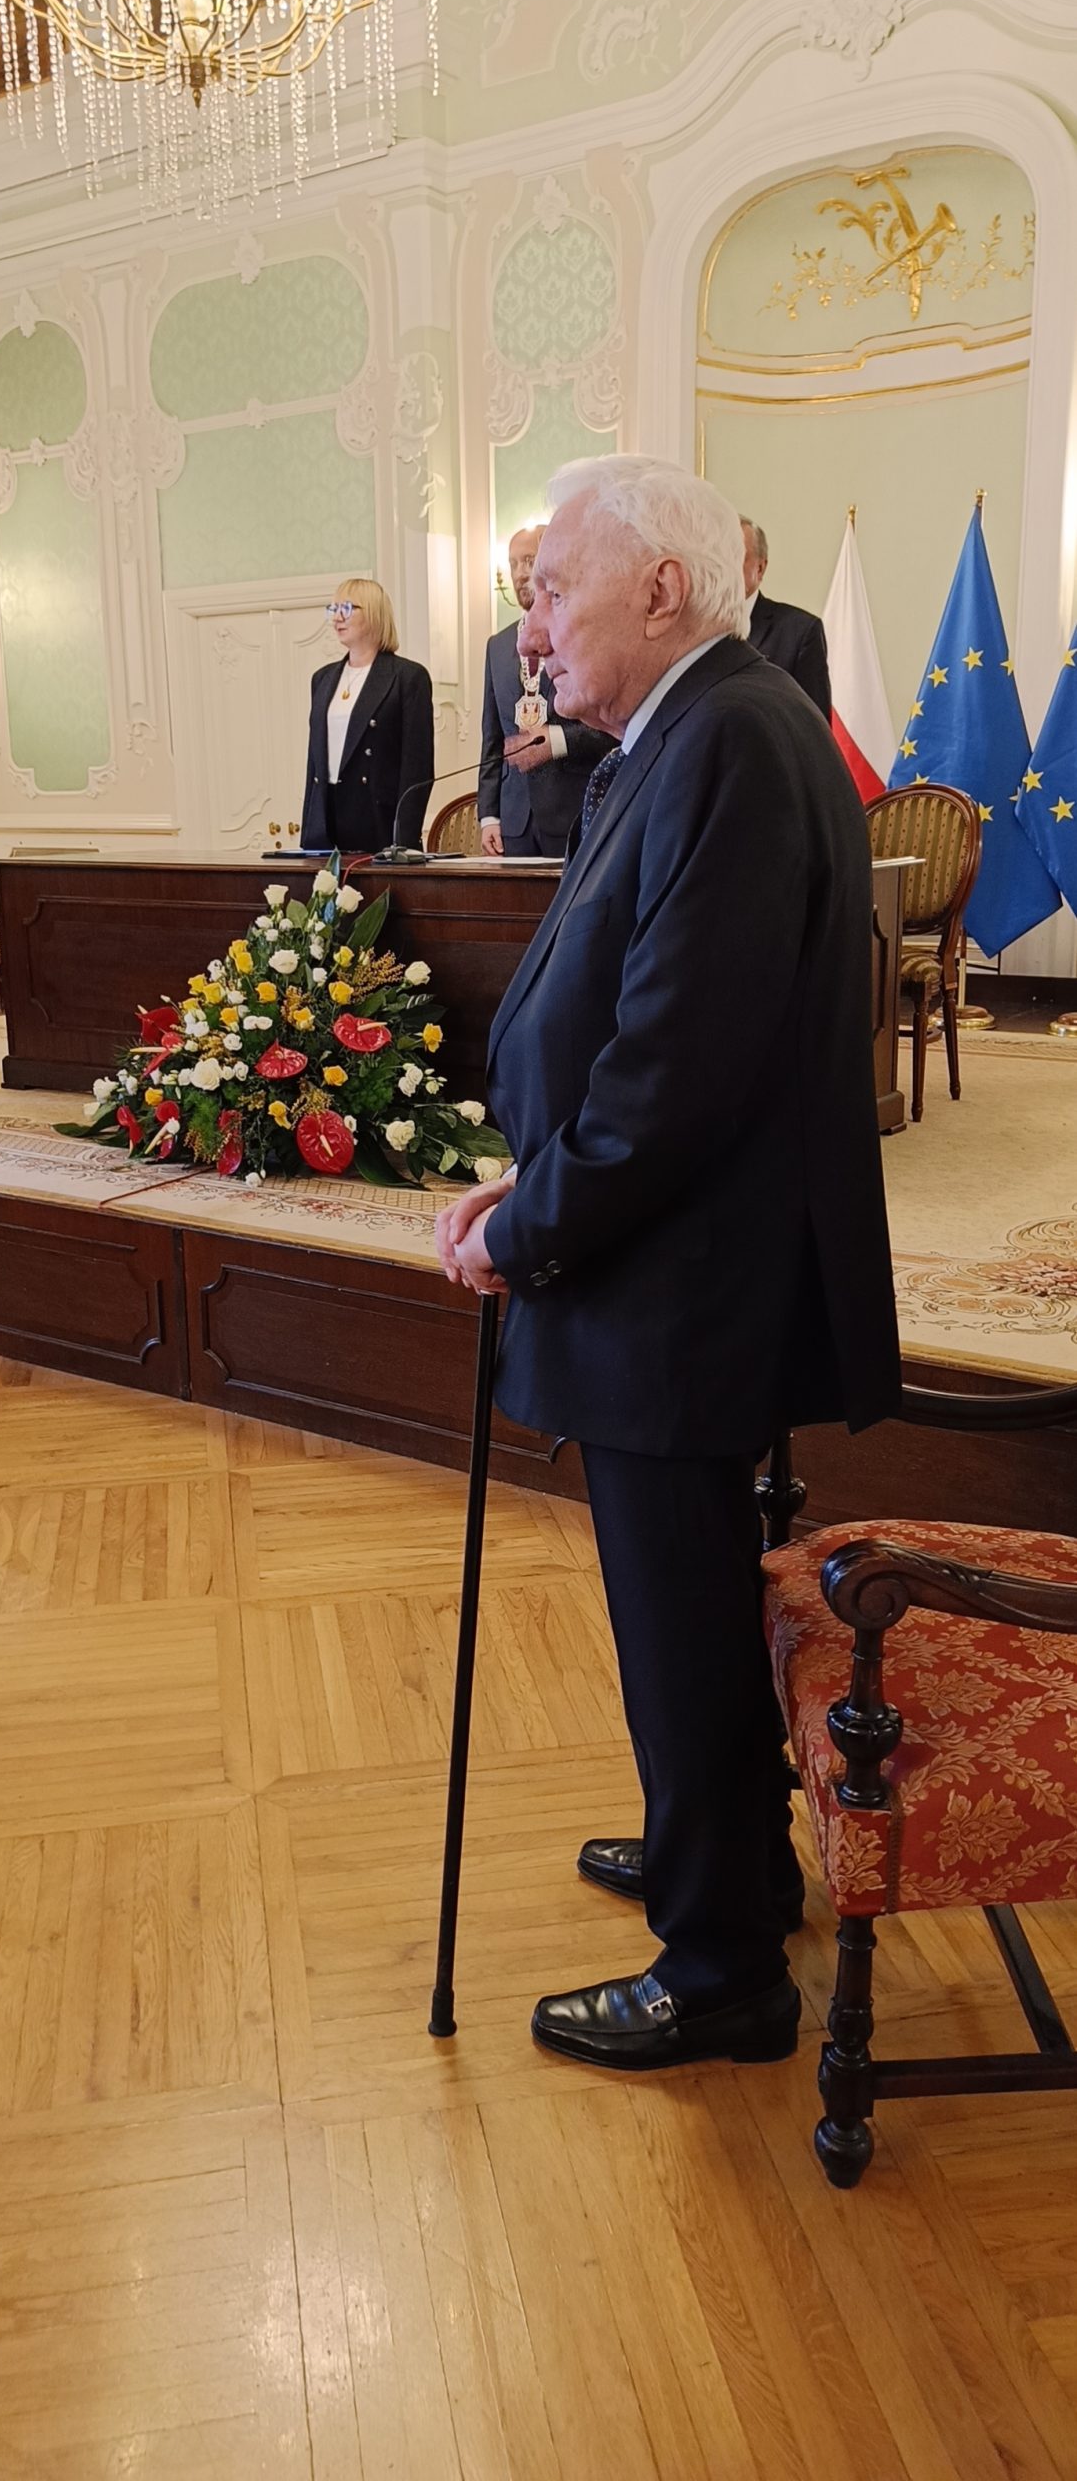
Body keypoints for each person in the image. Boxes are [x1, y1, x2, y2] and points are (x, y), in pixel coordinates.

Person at [435, 455, 899, 2074]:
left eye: (552, 589)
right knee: (684, 1605)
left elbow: (675, 1071)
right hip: (667, 1263)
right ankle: (724, 1852)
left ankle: (719, 1971)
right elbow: (632, 1010)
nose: (531, 627)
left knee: (681, 1612)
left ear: (657, 587)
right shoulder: (686, 733)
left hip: (681, 1283)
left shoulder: (733, 740)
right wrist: (536, 1173)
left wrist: (527, 1222)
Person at [478, 525, 608, 857]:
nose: (520, 573)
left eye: (529, 561)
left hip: (573, 812)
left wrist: (557, 741)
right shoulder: (497, 645)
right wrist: (489, 815)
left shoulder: (579, 633)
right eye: (513, 563)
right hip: (514, 821)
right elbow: (492, 738)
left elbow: (611, 730)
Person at [300, 578, 433, 854]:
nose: (337, 617)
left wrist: (403, 841)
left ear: (373, 613)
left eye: (347, 608)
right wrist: (309, 830)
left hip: (378, 823)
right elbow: (314, 764)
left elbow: (417, 769)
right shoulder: (322, 679)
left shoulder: (407, 677)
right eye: (333, 609)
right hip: (326, 823)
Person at [743, 518, 832, 719]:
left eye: (736, 556)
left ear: (760, 568)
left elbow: (814, 725)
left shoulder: (799, 631)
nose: (725, 567)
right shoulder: (698, 627)